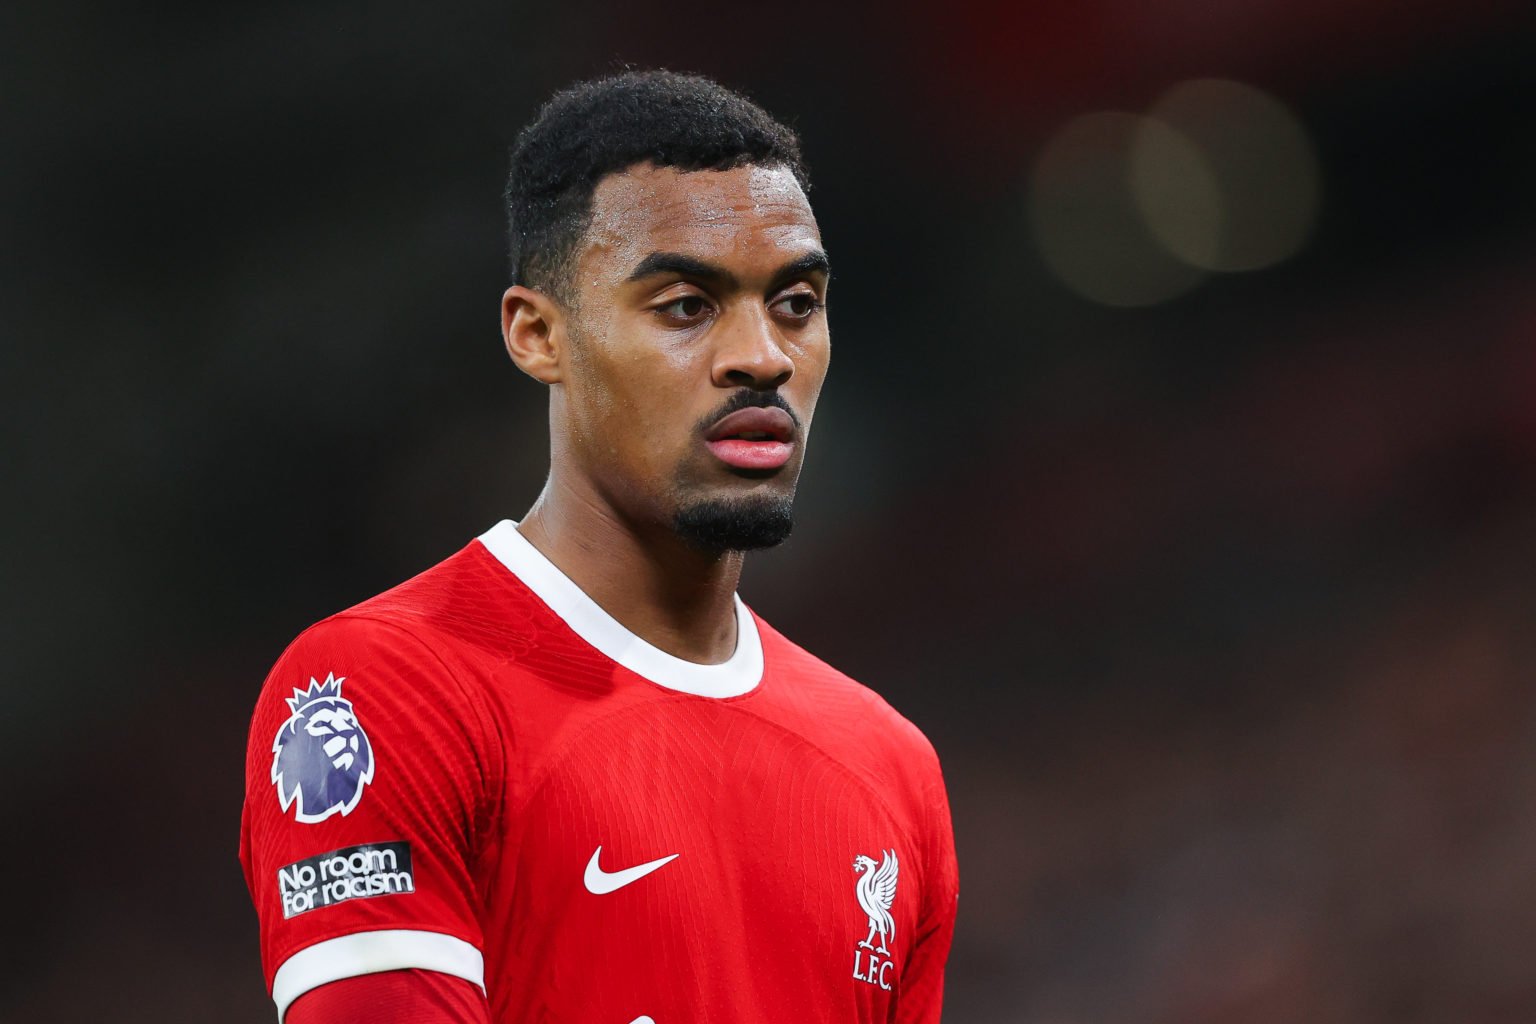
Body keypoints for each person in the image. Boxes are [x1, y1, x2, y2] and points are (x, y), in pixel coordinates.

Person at [239, 69, 958, 1024]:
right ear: (539, 336)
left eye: (794, 303)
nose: (763, 355)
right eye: (686, 306)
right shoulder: (385, 690)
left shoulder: (889, 770)